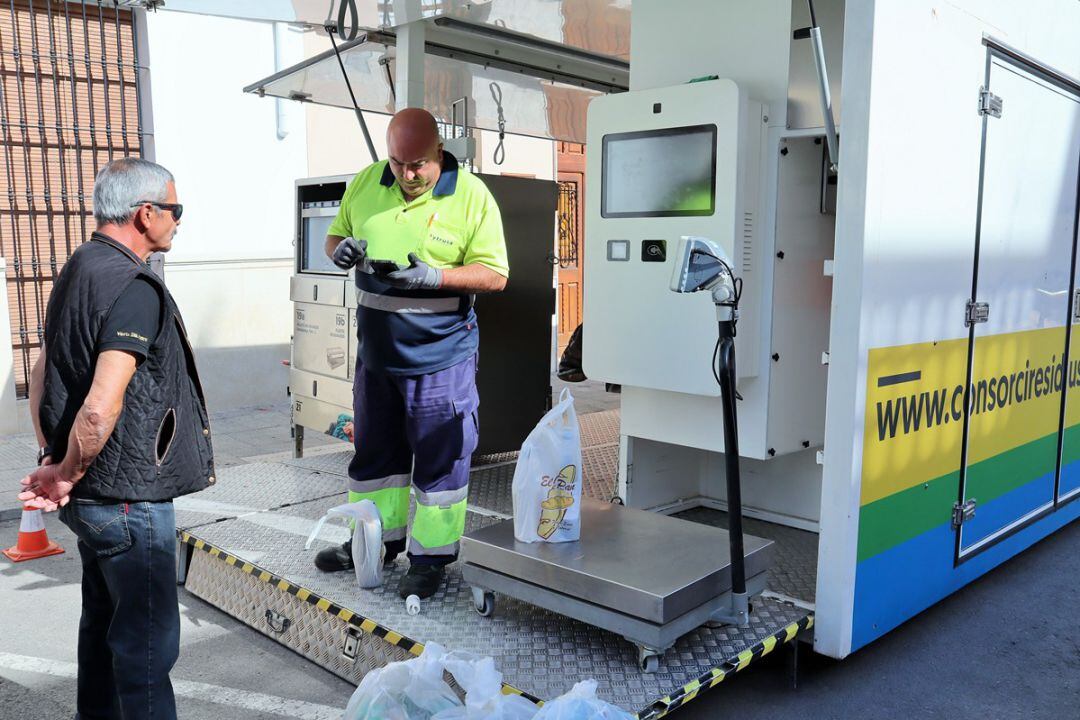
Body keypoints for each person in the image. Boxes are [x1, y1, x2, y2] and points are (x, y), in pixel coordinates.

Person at [18, 158, 214, 720]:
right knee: (145, 653)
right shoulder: (134, 286)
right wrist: (64, 472)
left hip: (94, 501)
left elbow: (42, 370)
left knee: (102, 632)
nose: (179, 221)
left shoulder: (80, 266)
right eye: (175, 211)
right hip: (128, 499)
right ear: (145, 213)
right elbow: (101, 408)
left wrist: (52, 457)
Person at [316, 107, 509, 600]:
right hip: (377, 357)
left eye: (419, 163)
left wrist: (436, 276)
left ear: (439, 151)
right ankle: (374, 544)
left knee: (441, 461)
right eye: (398, 162)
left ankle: (431, 559)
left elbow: (496, 274)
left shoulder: (472, 196)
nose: (407, 174)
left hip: (441, 358)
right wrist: (338, 249)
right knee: (375, 459)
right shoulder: (366, 183)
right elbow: (336, 233)